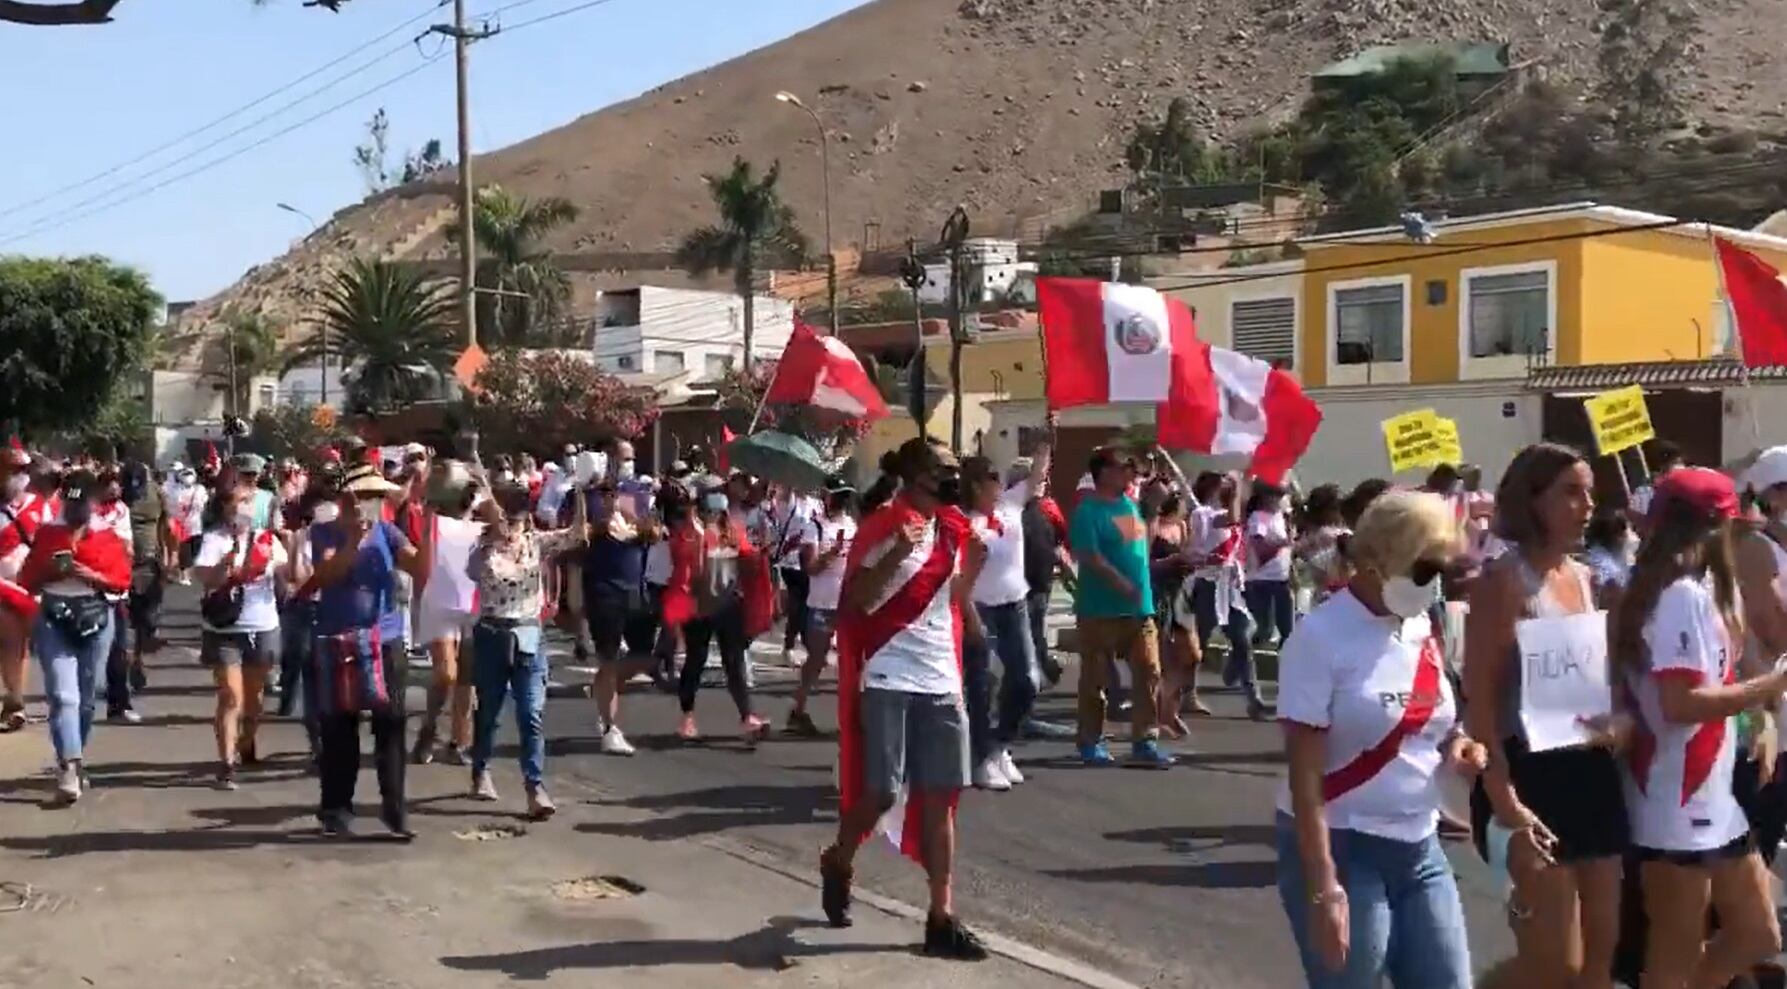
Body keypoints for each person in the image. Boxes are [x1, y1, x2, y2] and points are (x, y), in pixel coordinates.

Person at [1276, 489, 1485, 989]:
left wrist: (1459, 742)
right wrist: (1324, 887)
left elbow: (1433, 720)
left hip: (1419, 846)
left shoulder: (1421, 626)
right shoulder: (1320, 637)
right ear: (1377, 561)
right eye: (1425, 568)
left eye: (1442, 570)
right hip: (1346, 846)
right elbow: (1304, 778)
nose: (1435, 583)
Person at [1613, 467, 1787, 988]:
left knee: (1759, 935)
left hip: (1711, 797)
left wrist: (1756, 715)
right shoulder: (1679, 595)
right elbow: (1681, 703)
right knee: (1673, 958)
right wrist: (1770, 689)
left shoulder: (1692, 590)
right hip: (1675, 800)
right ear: (1717, 527)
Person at [1463, 443, 1627, 989]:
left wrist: (1615, 720)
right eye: (1570, 493)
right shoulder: (1503, 581)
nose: (1585, 506)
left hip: (1592, 773)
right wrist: (1504, 798)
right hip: (1529, 776)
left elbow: (1588, 680)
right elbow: (1480, 698)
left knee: (1600, 962)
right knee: (1557, 964)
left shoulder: (1584, 577)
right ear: (1531, 500)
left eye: (1589, 494)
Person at [820, 436, 989, 960]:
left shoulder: (954, 530)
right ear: (917, 476)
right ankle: (839, 859)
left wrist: (975, 572)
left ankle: (941, 917)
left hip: (940, 676)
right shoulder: (882, 527)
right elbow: (856, 605)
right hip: (889, 673)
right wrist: (898, 551)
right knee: (881, 793)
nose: (953, 478)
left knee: (941, 797)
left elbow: (955, 599)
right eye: (944, 469)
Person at [306, 461, 427, 839]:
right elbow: (324, 576)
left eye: (378, 496)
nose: (372, 503)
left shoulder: (388, 532)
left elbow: (420, 568)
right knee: (339, 730)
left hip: (384, 639)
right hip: (336, 639)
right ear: (348, 498)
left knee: (390, 726)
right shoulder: (324, 532)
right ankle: (336, 810)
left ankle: (395, 811)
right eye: (367, 495)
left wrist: (431, 526)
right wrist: (354, 539)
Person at [466, 478, 587, 818]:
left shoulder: (537, 543)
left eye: (518, 518)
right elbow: (474, 573)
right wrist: (490, 536)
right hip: (493, 634)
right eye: (508, 517)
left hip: (529, 636)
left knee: (530, 714)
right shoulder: (482, 547)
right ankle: (481, 769)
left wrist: (577, 495)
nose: (513, 526)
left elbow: (576, 534)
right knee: (488, 712)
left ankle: (535, 786)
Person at [17, 471, 132, 805]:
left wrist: (90, 575)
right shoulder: (48, 533)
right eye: (72, 500)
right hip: (54, 617)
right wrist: (50, 572)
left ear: (93, 502)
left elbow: (121, 581)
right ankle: (69, 767)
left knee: (85, 699)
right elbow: (28, 579)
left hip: (96, 618)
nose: (77, 507)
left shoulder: (106, 535)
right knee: (62, 696)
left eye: (84, 501)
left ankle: (74, 756)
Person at [1069, 446, 1173, 768]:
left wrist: (1154, 510)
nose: (1130, 471)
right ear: (1103, 472)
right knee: (1095, 680)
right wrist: (1120, 583)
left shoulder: (1127, 505)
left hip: (1139, 610)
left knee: (1149, 672)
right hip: (1100, 610)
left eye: (1131, 467)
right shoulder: (1088, 511)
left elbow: (1141, 545)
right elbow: (1089, 555)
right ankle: (1091, 740)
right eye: (1122, 466)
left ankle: (1145, 741)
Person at [960, 442, 1051, 790]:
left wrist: (1046, 438)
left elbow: (1038, 473)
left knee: (1028, 679)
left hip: (1015, 605)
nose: (998, 485)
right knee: (980, 687)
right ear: (976, 486)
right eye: (991, 480)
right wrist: (970, 616)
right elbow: (961, 573)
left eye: (999, 479)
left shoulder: (1010, 505)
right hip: (981, 608)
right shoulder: (965, 523)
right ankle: (980, 759)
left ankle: (1000, 746)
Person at [192, 483, 288, 789]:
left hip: (262, 625)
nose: (244, 507)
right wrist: (227, 565)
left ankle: (246, 741)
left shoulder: (268, 540)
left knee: (254, 698)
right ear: (224, 507)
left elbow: (290, 574)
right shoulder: (214, 539)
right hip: (224, 630)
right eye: (238, 501)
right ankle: (226, 763)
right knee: (231, 696)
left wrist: (293, 543)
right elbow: (204, 578)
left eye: (249, 501)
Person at [674, 478, 769, 741]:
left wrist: (760, 554)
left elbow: (749, 560)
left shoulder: (733, 532)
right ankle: (687, 716)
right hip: (698, 608)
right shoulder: (691, 533)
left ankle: (747, 715)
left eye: (719, 512)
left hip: (729, 606)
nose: (715, 516)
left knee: (734, 662)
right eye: (710, 511)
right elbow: (683, 565)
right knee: (696, 661)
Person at [581, 460, 659, 757]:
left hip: (635, 590)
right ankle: (609, 728)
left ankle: (603, 683)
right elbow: (574, 537)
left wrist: (639, 523)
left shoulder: (637, 496)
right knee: (610, 659)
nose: (611, 493)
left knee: (647, 659)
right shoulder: (587, 502)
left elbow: (653, 530)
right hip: (603, 591)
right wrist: (599, 524)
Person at [411, 465, 484, 767]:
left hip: (473, 607)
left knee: (466, 679)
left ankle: (457, 742)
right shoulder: (435, 522)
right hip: (439, 606)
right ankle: (429, 728)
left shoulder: (483, 528)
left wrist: (477, 470)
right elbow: (421, 567)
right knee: (446, 675)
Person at [1187, 472, 1264, 720]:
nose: (1226, 486)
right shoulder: (1202, 514)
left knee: (1242, 639)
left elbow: (1234, 519)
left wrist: (1239, 487)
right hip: (1208, 584)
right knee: (1199, 642)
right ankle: (1184, 694)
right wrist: (1237, 489)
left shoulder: (1226, 513)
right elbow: (1230, 519)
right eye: (1221, 483)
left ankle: (1255, 698)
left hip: (1229, 587)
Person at [787, 478, 858, 736]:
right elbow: (811, 568)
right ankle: (798, 708)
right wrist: (833, 552)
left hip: (847, 602)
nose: (841, 502)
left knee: (851, 661)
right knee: (817, 658)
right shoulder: (813, 527)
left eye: (845, 496)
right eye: (837, 496)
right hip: (821, 603)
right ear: (826, 497)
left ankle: (851, 716)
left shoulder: (851, 525)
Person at [1149, 492, 1202, 738]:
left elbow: (1187, 553)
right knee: (1163, 658)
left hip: (1179, 592)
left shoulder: (1182, 525)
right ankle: (1162, 715)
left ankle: (1172, 707)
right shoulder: (1153, 525)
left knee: (1191, 654)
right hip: (1159, 592)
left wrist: (1194, 560)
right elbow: (1146, 564)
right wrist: (1173, 560)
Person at [0, 446, 42, 731]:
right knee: (10, 644)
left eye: (24, 471)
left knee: (23, 648)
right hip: (2, 590)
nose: (21, 477)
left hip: (33, 588)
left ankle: (15, 701)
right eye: (15, 471)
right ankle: (14, 703)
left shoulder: (41, 506)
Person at [768, 483, 821, 668]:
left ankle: (808, 645)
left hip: (809, 559)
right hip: (790, 559)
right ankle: (790, 646)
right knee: (798, 605)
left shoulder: (816, 503)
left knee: (807, 605)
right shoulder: (789, 500)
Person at [1244, 481, 1295, 648]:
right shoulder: (1259, 517)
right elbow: (1260, 548)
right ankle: (1251, 654)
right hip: (1261, 580)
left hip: (1281, 578)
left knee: (1287, 626)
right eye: (1277, 496)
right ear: (1265, 497)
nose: (1280, 500)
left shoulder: (1280, 517)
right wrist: (1283, 542)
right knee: (1264, 626)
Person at [1582, 506, 1633, 606]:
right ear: (1618, 536)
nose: (1628, 538)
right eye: (1625, 534)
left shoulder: (1613, 558)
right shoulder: (1603, 564)